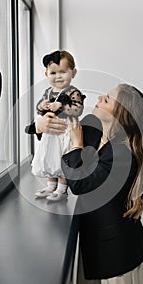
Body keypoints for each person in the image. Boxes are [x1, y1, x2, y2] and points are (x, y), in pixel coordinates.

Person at [35, 83, 143, 284]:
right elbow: (60, 126)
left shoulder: (122, 153)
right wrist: (40, 125)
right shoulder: (99, 136)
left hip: (115, 254)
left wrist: (77, 145)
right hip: (101, 246)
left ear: (121, 114)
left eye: (108, 99)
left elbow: (80, 183)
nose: (100, 97)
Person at [27, 50, 86, 201]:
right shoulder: (48, 92)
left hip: (66, 129)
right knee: (50, 156)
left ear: (73, 73)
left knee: (62, 157)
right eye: (53, 73)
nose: (58, 76)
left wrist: (61, 106)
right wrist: (43, 106)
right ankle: (50, 186)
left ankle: (62, 189)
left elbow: (77, 109)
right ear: (47, 74)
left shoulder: (73, 92)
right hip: (51, 130)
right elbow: (40, 108)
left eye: (63, 72)